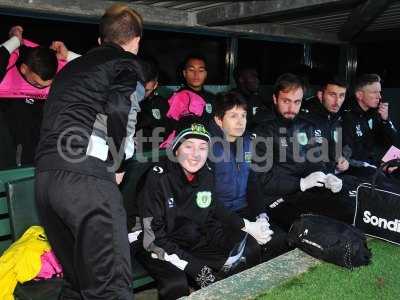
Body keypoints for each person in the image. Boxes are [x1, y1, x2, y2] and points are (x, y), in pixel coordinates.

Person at [34, 4, 145, 299]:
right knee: (110, 287)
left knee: (78, 282)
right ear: (136, 41)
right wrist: (119, 164)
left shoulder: (71, 69)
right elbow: (122, 108)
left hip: (46, 180)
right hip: (85, 179)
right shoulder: (127, 64)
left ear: (100, 40)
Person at [135, 116, 267, 300]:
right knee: (176, 283)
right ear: (176, 148)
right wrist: (196, 268)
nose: (196, 154)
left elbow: (210, 215)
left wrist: (239, 233)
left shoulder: (206, 173)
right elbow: (153, 238)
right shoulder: (158, 177)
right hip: (157, 247)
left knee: (247, 248)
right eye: (188, 146)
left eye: (203, 148)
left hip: (193, 240)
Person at [249, 73, 354, 230]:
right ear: (275, 99)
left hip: (304, 192)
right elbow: (263, 180)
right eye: (286, 101)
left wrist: (327, 177)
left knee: (347, 204)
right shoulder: (263, 130)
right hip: (277, 198)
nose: (292, 108)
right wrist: (300, 183)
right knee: (309, 224)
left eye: (297, 102)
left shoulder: (307, 126)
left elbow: (316, 162)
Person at [209, 91, 290, 261]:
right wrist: (245, 226)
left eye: (243, 115)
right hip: (218, 217)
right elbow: (209, 201)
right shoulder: (207, 147)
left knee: (278, 238)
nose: (240, 122)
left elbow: (252, 182)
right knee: (250, 248)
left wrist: (261, 215)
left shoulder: (246, 142)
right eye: (233, 116)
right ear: (218, 120)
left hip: (243, 209)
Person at [0, 25, 76, 166]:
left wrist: (68, 56)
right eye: (37, 83)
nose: (42, 87)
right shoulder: (6, 72)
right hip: (10, 158)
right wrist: (14, 41)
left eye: (47, 84)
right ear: (24, 69)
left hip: (45, 158)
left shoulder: (59, 74)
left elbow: (99, 69)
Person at [342, 74, 399, 170]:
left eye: (380, 92)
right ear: (360, 95)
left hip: (376, 165)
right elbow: (347, 158)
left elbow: (394, 141)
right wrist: (378, 168)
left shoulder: (375, 112)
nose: (379, 96)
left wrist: (385, 120)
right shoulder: (346, 117)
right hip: (357, 171)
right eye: (374, 92)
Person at [135, 59, 169, 152]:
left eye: (146, 90)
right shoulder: (127, 101)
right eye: (140, 89)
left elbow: (167, 131)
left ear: (155, 85)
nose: (142, 94)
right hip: (133, 152)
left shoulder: (162, 104)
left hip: (157, 153)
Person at [232, 65, 269, 130]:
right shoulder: (231, 99)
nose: (257, 80)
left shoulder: (257, 99)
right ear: (241, 79)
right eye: (253, 76)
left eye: (257, 77)